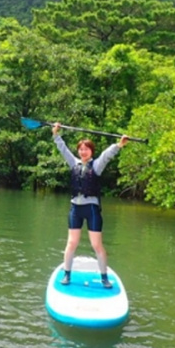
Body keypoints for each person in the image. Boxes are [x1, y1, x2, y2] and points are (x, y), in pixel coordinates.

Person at [52, 122, 128, 288]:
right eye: (81, 149)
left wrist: (119, 145)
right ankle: (67, 274)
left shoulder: (97, 165)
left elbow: (107, 155)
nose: (83, 152)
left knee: (96, 245)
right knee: (71, 243)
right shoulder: (74, 163)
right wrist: (56, 135)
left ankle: (104, 277)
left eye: (86, 149)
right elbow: (63, 150)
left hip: (91, 209)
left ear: (91, 151)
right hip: (75, 209)